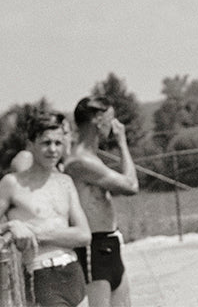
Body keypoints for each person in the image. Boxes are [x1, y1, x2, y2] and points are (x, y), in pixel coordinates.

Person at [0, 111, 91, 307]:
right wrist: (9, 227)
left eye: (58, 143)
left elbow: (84, 235)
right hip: (42, 278)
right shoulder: (12, 184)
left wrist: (37, 234)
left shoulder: (65, 182)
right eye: (46, 143)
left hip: (74, 274)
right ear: (31, 144)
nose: (53, 150)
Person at [64, 97, 138, 307]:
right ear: (97, 119)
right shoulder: (81, 161)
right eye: (111, 118)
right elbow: (131, 186)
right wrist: (122, 142)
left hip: (110, 243)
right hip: (94, 247)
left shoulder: (92, 158)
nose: (115, 126)